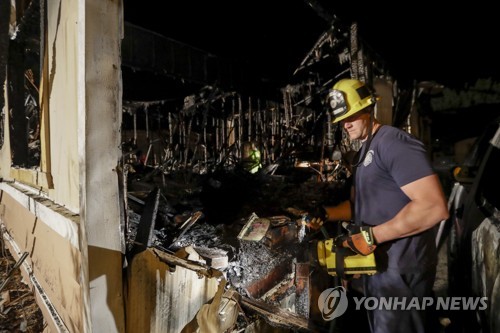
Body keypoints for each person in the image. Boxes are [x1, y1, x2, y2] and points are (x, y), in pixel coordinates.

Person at [309, 78, 449, 333]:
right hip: (380, 269)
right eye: (341, 119)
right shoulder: (363, 153)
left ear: (368, 108)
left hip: (401, 269)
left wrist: (372, 236)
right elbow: (359, 206)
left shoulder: (394, 144)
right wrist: (325, 213)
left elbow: (433, 206)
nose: (346, 123)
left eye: (351, 115)